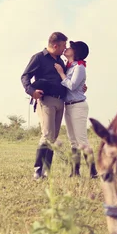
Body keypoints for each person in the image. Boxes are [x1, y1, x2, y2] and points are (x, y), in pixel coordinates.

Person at [21, 32, 68, 179]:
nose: (64, 49)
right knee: (47, 135)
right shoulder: (39, 57)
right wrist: (31, 91)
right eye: (63, 46)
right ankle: (38, 171)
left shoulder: (60, 61)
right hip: (46, 100)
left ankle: (47, 171)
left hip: (61, 101)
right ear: (55, 45)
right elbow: (25, 76)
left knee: (53, 137)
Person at [54, 41, 98, 178]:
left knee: (81, 140)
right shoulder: (70, 66)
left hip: (78, 106)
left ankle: (93, 172)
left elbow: (72, 86)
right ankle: (75, 172)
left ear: (76, 52)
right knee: (73, 140)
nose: (67, 48)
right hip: (69, 105)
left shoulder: (79, 67)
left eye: (71, 47)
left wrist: (61, 73)